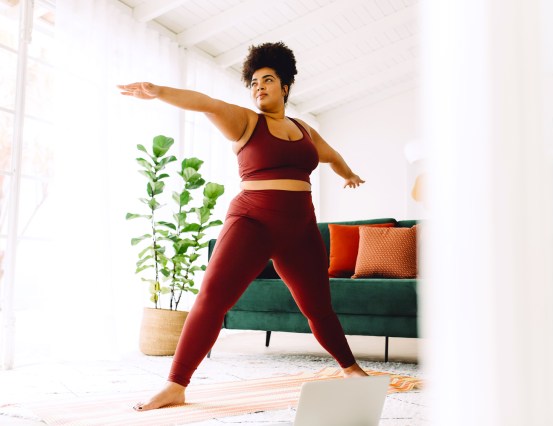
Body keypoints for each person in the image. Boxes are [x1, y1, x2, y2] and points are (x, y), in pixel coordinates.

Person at [118, 41, 368, 411]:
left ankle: (351, 369)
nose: (258, 87)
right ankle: (176, 384)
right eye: (253, 82)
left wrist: (349, 175)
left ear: (286, 87)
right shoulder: (246, 122)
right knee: (212, 299)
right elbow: (206, 103)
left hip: (300, 229)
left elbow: (331, 155)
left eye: (267, 80)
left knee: (319, 307)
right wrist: (160, 93)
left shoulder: (305, 131)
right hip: (253, 222)